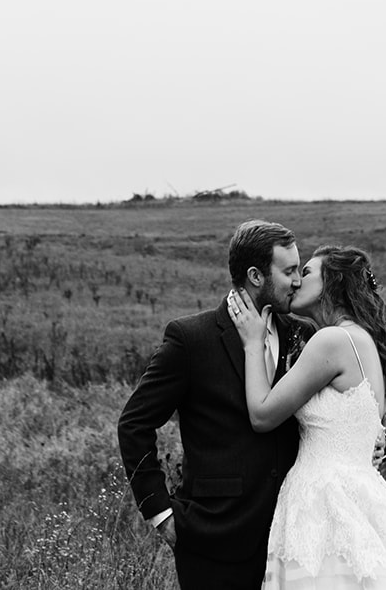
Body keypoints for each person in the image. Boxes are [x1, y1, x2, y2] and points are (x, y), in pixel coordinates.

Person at [229, 245, 386, 589]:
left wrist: (253, 344)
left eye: (307, 272)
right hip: (359, 491)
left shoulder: (332, 341)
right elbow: (365, 426)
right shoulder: (362, 339)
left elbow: (263, 416)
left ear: (332, 282)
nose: (296, 281)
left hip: (323, 500)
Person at [118, 219, 309, 590]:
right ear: (255, 275)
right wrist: (161, 513)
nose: (298, 280)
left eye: (299, 270)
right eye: (288, 271)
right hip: (213, 538)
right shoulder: (191, 339)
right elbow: (134, 423)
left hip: (294, 537)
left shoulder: (303, 335)